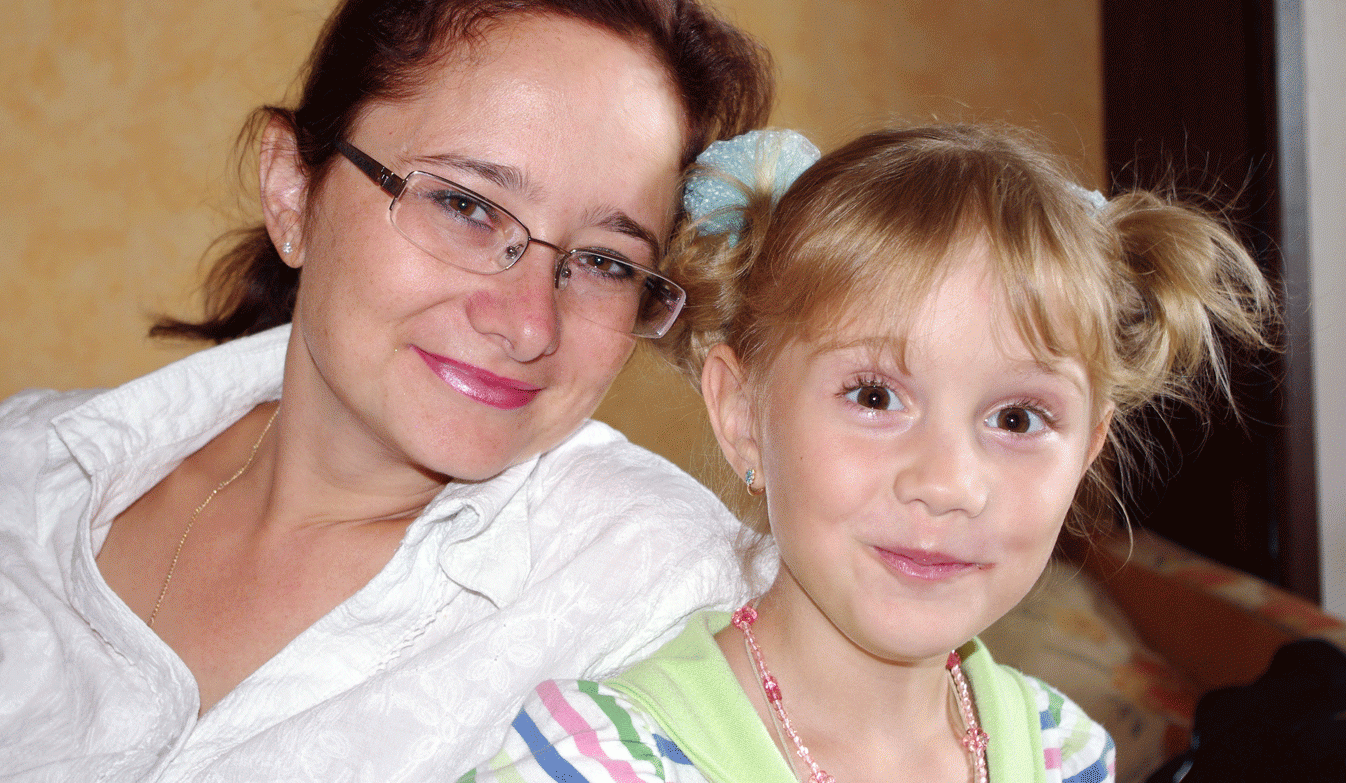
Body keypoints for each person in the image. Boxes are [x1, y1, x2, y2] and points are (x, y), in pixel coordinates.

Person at [0, 0, 776, 783]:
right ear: (293, 191)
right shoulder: (44, 472)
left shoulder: (664, 583)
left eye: (606, 262)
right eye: (465, 205)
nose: (529, 323)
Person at [470, 123, 1276, 783]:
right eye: (875, 397)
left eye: (1018, 418)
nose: (948, 483)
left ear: (1088, 452)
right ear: (743, 414)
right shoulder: (597, 762)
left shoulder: (1063, 752)